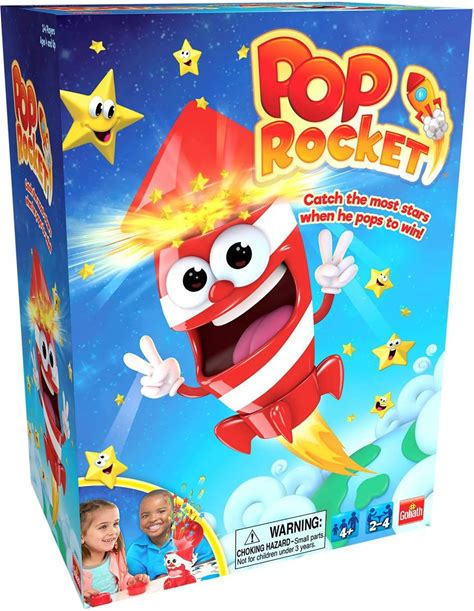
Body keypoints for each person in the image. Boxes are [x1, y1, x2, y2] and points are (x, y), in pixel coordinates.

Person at [127, 489, 215, 580]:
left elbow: (211, 566)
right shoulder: (135, 552)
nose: (152, 519)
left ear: (174, 513)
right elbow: (137, 584)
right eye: (145, 516)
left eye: (161, 511)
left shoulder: (190, 536)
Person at [80, 499, 149, 603]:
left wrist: (131, 581)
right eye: (103, 527)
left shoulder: (115, 555)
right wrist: (83, 598)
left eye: (115, 524)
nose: (113, 531)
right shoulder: (75, 568)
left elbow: (122, 578)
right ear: (81, 536)